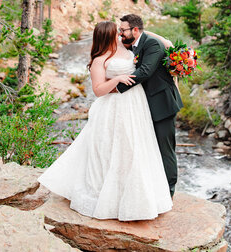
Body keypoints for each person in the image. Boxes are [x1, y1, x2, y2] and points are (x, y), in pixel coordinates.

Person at [38, 20, 173, 221]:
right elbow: (98, 91)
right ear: (107, 36)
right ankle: (110, 199)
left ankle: (140, 198)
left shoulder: (123, 46)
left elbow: (161, 42)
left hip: (136, 105)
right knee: (113, 149)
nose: (120, 33)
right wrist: (116, 80)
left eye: (121, 31)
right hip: (113, 107)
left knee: (137, 147)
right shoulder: (99, 60)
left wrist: (144, 32)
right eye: (116, 32)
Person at [117, 14, 183, 197]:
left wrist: (115, 88)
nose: (120, 34)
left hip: (162, 104)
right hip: (144, 105)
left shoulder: (152, 44)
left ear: (135, 30)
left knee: (165, 148)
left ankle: (169, 191)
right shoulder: (132, 44)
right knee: (148, 148)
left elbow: (145, 72)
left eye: (123, 30)